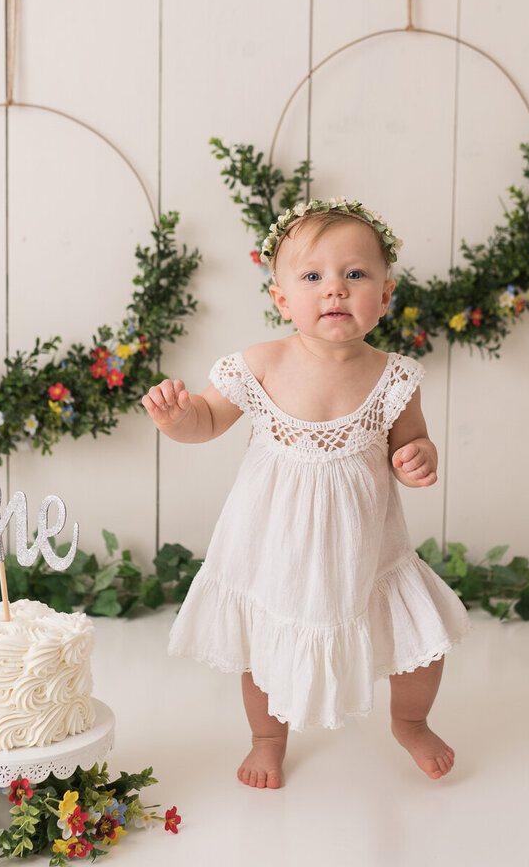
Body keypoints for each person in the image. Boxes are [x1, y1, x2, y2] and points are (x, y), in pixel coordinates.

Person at [143, 199, 471, 789]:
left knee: (421, 643)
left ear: (385, 294)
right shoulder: (262, 364)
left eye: (356, 274)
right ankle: (267, 737)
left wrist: (418, 458)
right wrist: (177, 417)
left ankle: (412, 720)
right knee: (264, 646)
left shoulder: (393, 377)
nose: (335, 291)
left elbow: (411, 441)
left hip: (365, 551)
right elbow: (209, 421)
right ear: (281, 298)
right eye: (313, 276)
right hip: (275, 547)